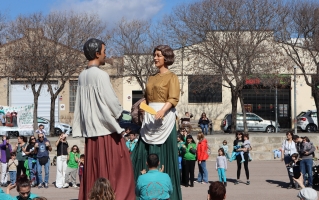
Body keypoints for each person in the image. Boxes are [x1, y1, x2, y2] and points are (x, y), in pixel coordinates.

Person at [73, 38, 135, 200]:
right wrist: (120, 113)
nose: (106, 54)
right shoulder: (101, 75)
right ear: (97, 53)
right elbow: (112, 102)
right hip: (106, 130)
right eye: (104, 51)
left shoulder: (82, 76)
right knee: (121, 169)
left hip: (91, 132)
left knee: (94, 169)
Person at [130, 45, 182, 199]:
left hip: (164, 117)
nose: (155, 58)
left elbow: (173, 98)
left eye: (158, 55)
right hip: (149, 118)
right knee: (142, 150)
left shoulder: (172, 77)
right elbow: (147, 97)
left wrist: (162, 111)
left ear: (166, 57)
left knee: (164, 149)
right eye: (154, 55)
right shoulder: (151, 77)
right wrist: (142, 107)